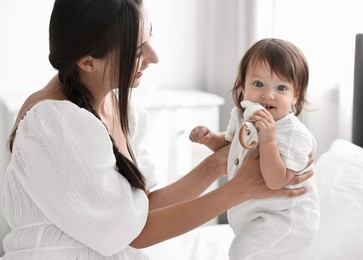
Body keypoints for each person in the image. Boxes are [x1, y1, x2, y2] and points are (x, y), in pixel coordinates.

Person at [1, 0, 313, 259]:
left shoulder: (119, 108)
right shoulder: (54, 124)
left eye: (149, 37)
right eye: (137, 51)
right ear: (87, 61)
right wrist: (237, 190)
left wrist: (217, 165)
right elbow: (131, 234)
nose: (154, 56)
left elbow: (142, 206)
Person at [189, 38, 320, 260]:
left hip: (286, 219)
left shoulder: (293, 133)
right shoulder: (241, 116)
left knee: (243, 253)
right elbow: (232, 147)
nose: (268, 95)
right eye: (258, 84)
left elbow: (275, 180)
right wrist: (211, 139)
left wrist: (269, 140)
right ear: (242, 86)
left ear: (295, 95)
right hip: (255, 213)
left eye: (281, 88)